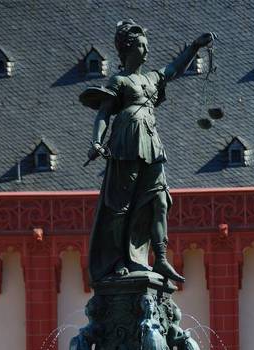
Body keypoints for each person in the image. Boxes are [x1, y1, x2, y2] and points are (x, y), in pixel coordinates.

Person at [82, 20, 215, 284]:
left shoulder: (151, 78)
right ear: (128, 49)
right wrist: (96, 142)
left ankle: (161, 259)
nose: (146, 50)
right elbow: (104, 113)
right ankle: (117, 260)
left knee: (160, 201)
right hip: (126, 142)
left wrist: (196, 47)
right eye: (142, 45)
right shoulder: (119, 80)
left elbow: (175, 69)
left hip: (151, 143)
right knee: (121, 206)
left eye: (146, 45)